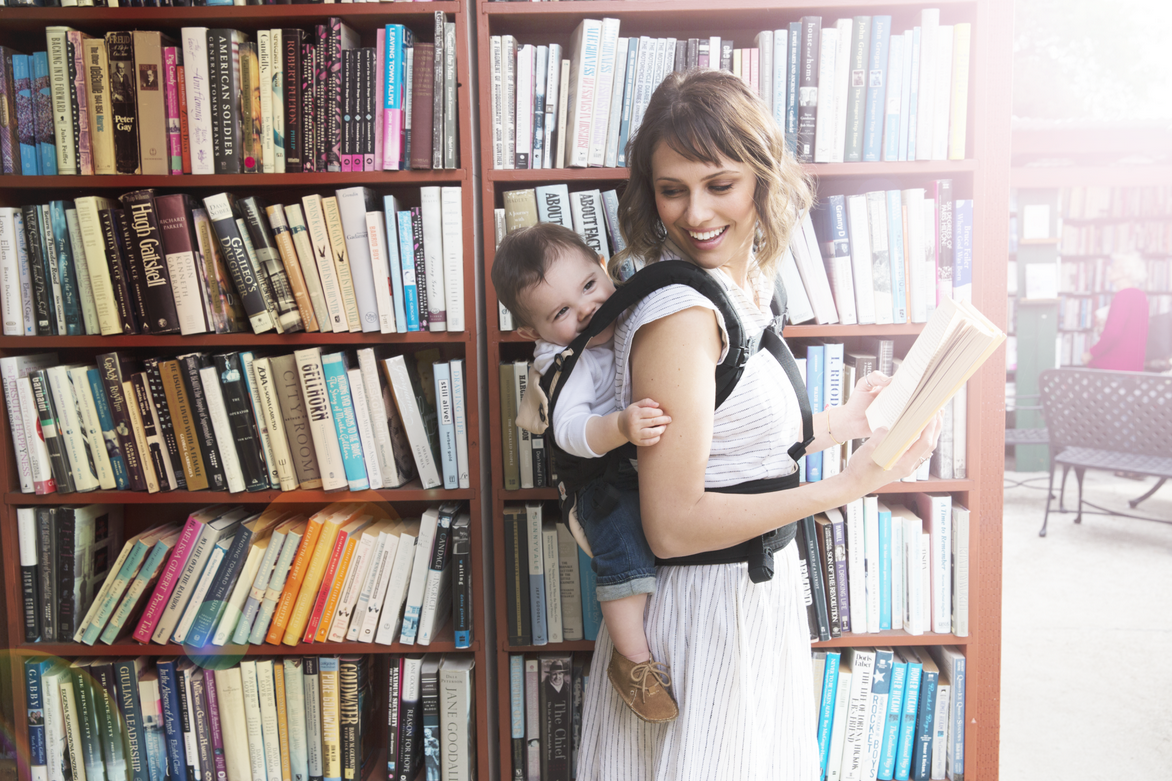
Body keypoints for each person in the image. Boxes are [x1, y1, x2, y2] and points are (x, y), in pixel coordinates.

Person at [575, 69, 942, 780]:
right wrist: (848, 484)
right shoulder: (684, 317)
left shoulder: (740, 289)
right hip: (707, 613)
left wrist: (841, 425)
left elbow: (735, 451)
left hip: (750, 605)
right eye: (672, 188)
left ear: (761, 180)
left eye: (720, 184)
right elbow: (673, 524)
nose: (695, 213)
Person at [492, 222, 680, 723]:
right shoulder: (565, 364)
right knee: (624, 555)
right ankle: (633, 663)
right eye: (562, 313)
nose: (587, 311)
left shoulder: (623, 305)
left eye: (590, 288)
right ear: (533, 334)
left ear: (603, 267)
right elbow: (570, 430)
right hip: (596, 485)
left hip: (632, 463)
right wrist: (619, 425)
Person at [1082, 252, 1149, 371]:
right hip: (1132, 366)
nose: (1109, 271)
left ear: (1125, 271)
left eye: (1113, 268)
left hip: (1114, 367)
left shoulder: (1123, 296)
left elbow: (1112, 334)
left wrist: (1091, 353)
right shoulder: (1140, 296)